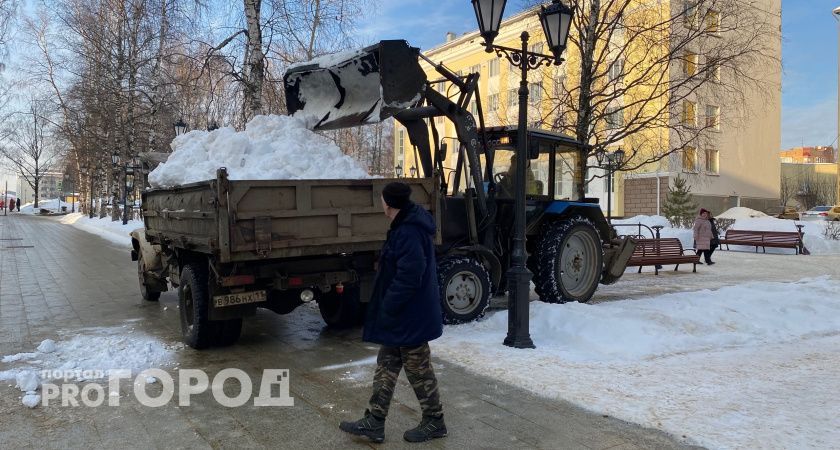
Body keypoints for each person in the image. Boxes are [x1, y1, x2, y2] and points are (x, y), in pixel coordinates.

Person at [339, 182, 446, 444]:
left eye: (382, 199)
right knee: (386, 365)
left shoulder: (408, 231)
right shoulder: (404, 225)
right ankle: (375, 421)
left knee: (418, 369)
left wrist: (390, 303)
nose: (380, 202)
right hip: (404, 315)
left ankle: (435, 421)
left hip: (411, 315)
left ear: (389, 203)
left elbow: (411, 274)